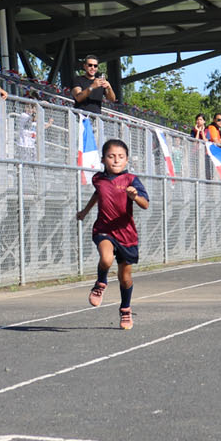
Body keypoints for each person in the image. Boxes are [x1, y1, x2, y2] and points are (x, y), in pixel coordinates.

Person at [76, 138, 150, 330]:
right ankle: (100, 283)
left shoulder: (131, 180)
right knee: (106, 259)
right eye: (111, 156)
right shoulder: (98, 179)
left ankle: (125, 309)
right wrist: (85, 211)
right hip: (104, 229)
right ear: (103, 159)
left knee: (125, 277)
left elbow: (145, 204)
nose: (116, 160)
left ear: (126, 160)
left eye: (120, 157)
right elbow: (99, 193)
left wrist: (135, 196)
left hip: (126, 234)